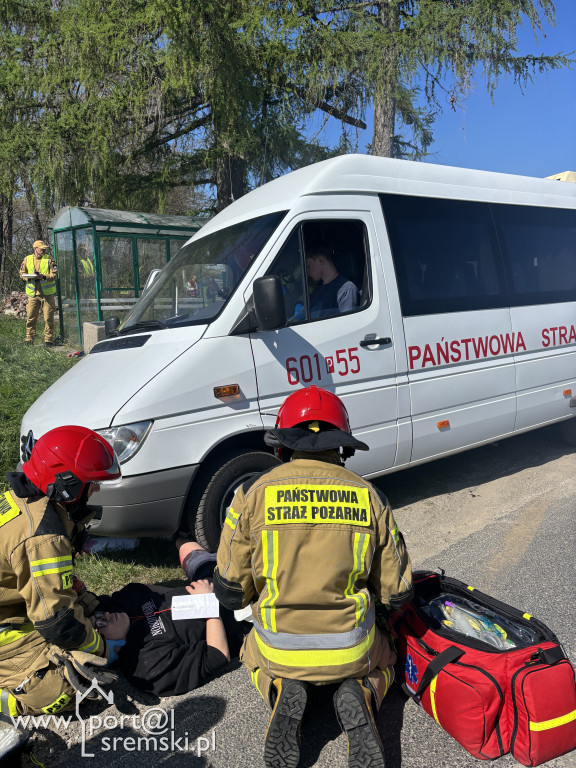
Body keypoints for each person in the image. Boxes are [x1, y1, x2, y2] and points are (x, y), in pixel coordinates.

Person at [213, 386, 413, 768]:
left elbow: (231, 590)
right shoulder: (369, 496)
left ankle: (278, 688)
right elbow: (397, 592)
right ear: (342, 448)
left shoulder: (251, 494)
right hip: (352, 649)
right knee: (389, 658)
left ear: (282, 446)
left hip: (279, 648)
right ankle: (364, 691)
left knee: (248, 654)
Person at [0, 426, 122, 719]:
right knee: (67, 689)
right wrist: (102, 648)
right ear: (65, 483)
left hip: (12, 606)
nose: (96, 489)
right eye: (92, 482)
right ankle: (10, 700)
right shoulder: (43, 536)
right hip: (6, 628)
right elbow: (57, 622)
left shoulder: (26, 500)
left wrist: (88, 606)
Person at [92, 540, 251, 697]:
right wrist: (207, 605)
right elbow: (217, 656)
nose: (105, 615)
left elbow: (147, 589)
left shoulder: (120, 605)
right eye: (101, 623)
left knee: (183, 542)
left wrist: (187, 590)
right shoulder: (147, 666)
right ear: (107, 648)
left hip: (210, 581)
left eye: (98, 615)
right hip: (238, 613)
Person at [19, 240, 58, 347]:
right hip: (32, 294)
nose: (44, 250)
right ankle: (29, 339)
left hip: (47, 294)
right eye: (41, 249)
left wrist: (43, 277)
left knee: (48, 318)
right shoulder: (27, 259)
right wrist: (28, 277)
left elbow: (55, 275)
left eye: (45, 248)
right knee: (31, 317)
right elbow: (21, 273)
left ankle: (48, 340)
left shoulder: (50, 259)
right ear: (35, 249)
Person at [306, 248, 358, 318]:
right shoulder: (317, 290)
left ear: (320, 260)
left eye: (308, 266)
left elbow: (347, 323)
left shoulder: (345, 288)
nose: (307, 272)